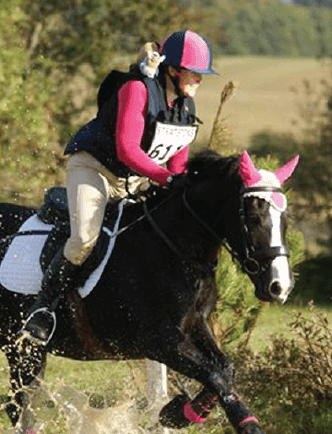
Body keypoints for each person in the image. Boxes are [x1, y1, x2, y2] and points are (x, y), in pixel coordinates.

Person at [19, 29, 218, 345]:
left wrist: (181, 187)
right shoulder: (136, 90)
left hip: (134, 181)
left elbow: (177, 164)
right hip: (95, 171)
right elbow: (127, 149)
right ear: (173, 70)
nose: (200, 80)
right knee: (84, 239)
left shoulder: (185, 109)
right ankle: (42, 309)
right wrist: (166, 179)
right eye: (195, 73)